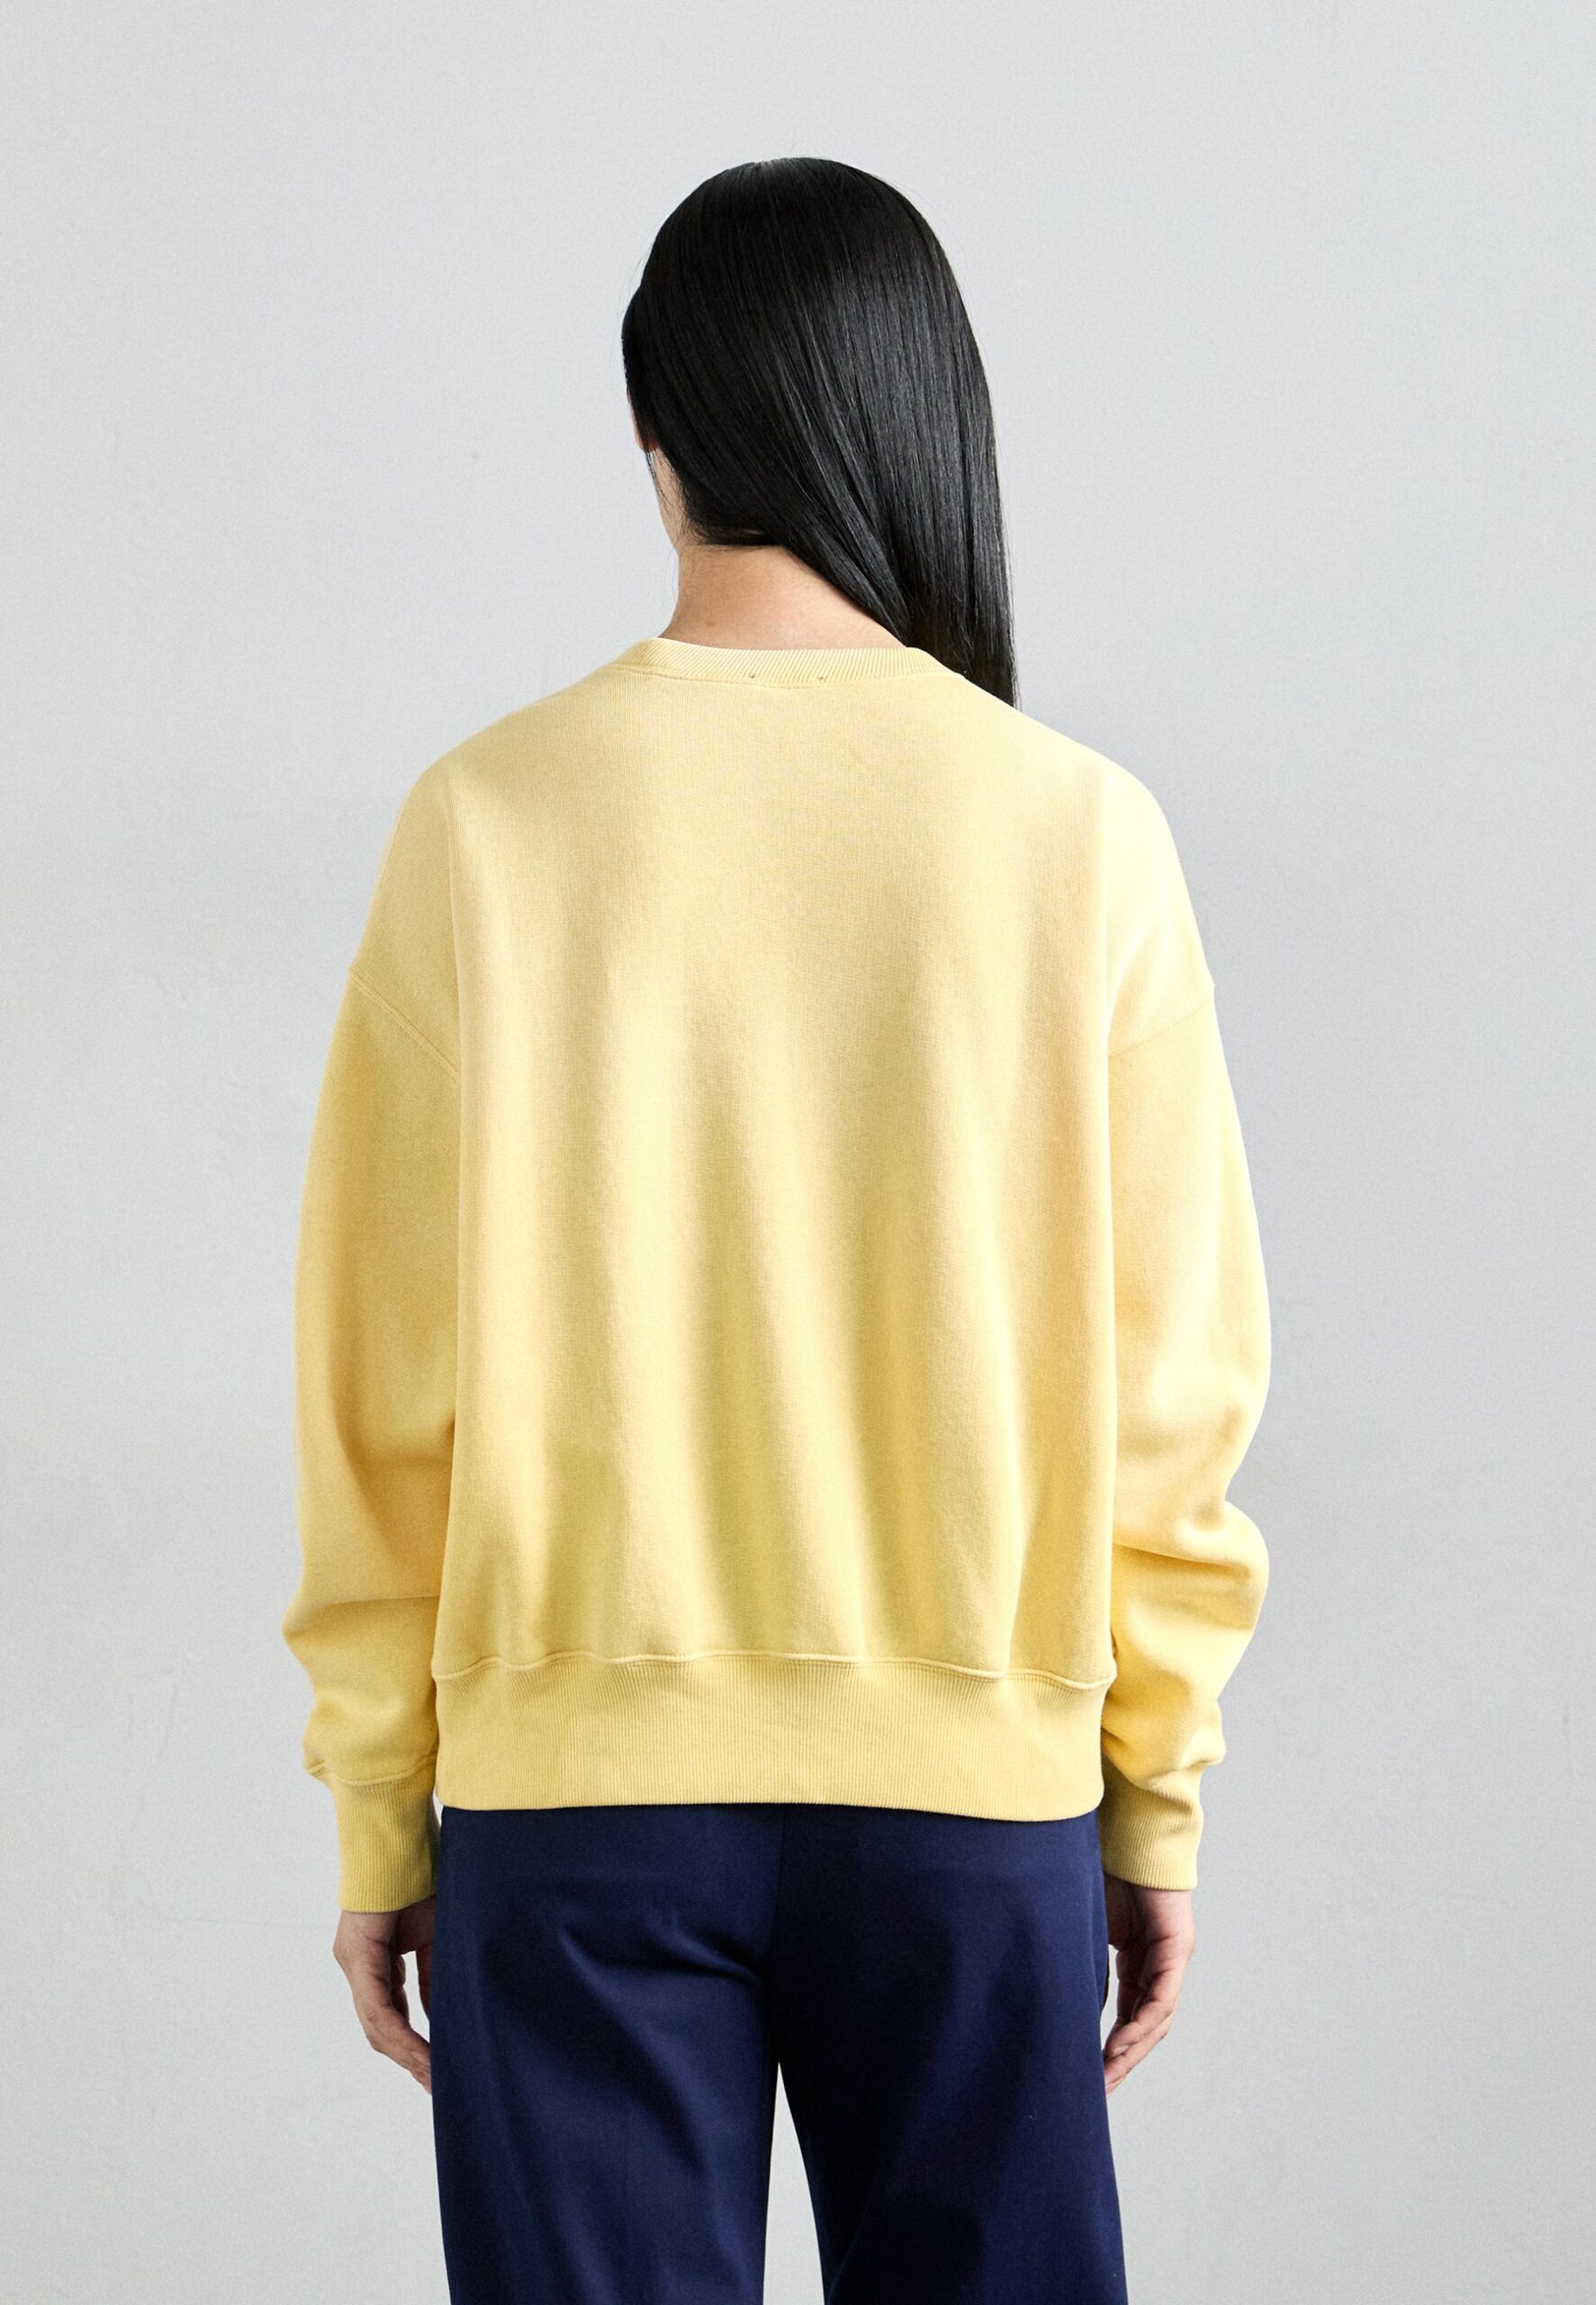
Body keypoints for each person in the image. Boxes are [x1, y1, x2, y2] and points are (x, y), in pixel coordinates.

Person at [282, 156, 1271, 2305]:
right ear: (918, 423)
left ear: (655, 435)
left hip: (569, 1805)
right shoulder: (1078, 833)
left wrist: (380, 1807)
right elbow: (1171, 1386)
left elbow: (378, 1387)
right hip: (976, 1798)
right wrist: (1151, 1792)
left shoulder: (485, 822)